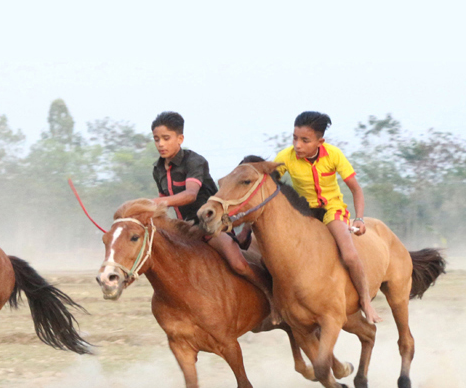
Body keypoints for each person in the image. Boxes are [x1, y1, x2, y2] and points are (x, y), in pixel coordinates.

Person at [150, 111, 275, 313]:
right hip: (183, 230)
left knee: (238, 265)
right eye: (157, 139)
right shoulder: (158, 169)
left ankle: (272, 298)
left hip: (209, 225)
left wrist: (154, 202)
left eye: (166, 138)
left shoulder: (194, 161)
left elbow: (190, 195)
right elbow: (164, 204)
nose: (161, 144)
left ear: (180, 139)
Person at [273, 111, 381, 324]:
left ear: (320, 141)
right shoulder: (285, 157)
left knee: (349, 255)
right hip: (303, 214)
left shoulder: (334, 154)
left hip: (332, 210)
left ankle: (366, 302)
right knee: (274, 254)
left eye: (305, 140)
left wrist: (359, 219)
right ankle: (277, 306)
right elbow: (269, 183)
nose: (298, 145)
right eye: (295, 138)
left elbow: (356, 190)